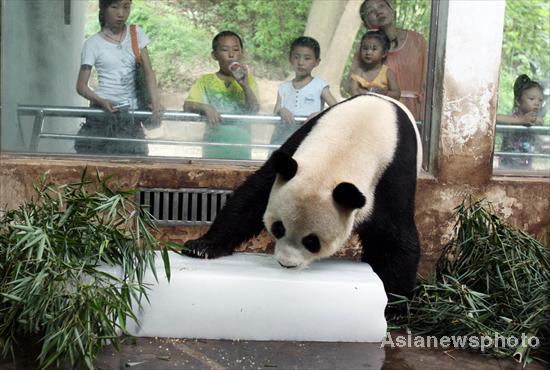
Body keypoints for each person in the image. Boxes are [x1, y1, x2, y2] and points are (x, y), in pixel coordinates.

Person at [75, 0, 161, 155]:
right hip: (102, 116)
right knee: (98, 167)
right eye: (114, 7)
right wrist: (101, 101)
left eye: (126, 7)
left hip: (132, 116)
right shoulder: (92, 44)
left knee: (134, 165)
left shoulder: (137, 34)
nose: (121, 13)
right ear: (103, 8)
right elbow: (81, 86)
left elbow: (149, 72)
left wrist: (156, 103)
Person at [184, 31, 260, 160]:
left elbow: (253, 109)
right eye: (225, 50)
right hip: (213, 149)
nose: (231, 55)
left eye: (236, 50)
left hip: (241, 149)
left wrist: (245, 85)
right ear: (214, 55)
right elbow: (187, 106)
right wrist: (205, 107)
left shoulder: (249, 81)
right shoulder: (205, 80)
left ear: (242, 54)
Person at [347, 0, 427, 120]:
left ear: (392, 10)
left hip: (415, 110)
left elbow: (430, 80)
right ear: (366, 23)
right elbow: (352, 85)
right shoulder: (365, 49)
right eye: (371, 11)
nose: (378, 12)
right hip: (380, 112)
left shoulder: (417, 40)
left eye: (381, 6)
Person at [272, 36, 338, 143]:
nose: (301, 62)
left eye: (307, 58)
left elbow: (338, 109)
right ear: (290, 59)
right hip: (284, 141)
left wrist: (319, 115)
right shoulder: (283, 88)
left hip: (310, 141)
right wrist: (281, 111)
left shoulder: (320, 86)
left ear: (317, 62)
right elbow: (275, 112)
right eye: (296, 57)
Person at [496, 74, 544, 169]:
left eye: (540, 100)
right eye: (532, 99)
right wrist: (521, 120)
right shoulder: (514, 117)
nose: (537, 103)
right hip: (507, 167)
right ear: (518, 101)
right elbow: (495, 118)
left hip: (525, 167)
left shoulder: (536, 120)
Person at [349, 30, 400, 99]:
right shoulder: (359, 72)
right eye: (365, 48)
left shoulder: (387, 73)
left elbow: (397, 94)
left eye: (374, 49)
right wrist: (367, 94)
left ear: (384, 53)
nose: (368, 52)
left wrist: (385, 93)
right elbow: (353, 91)